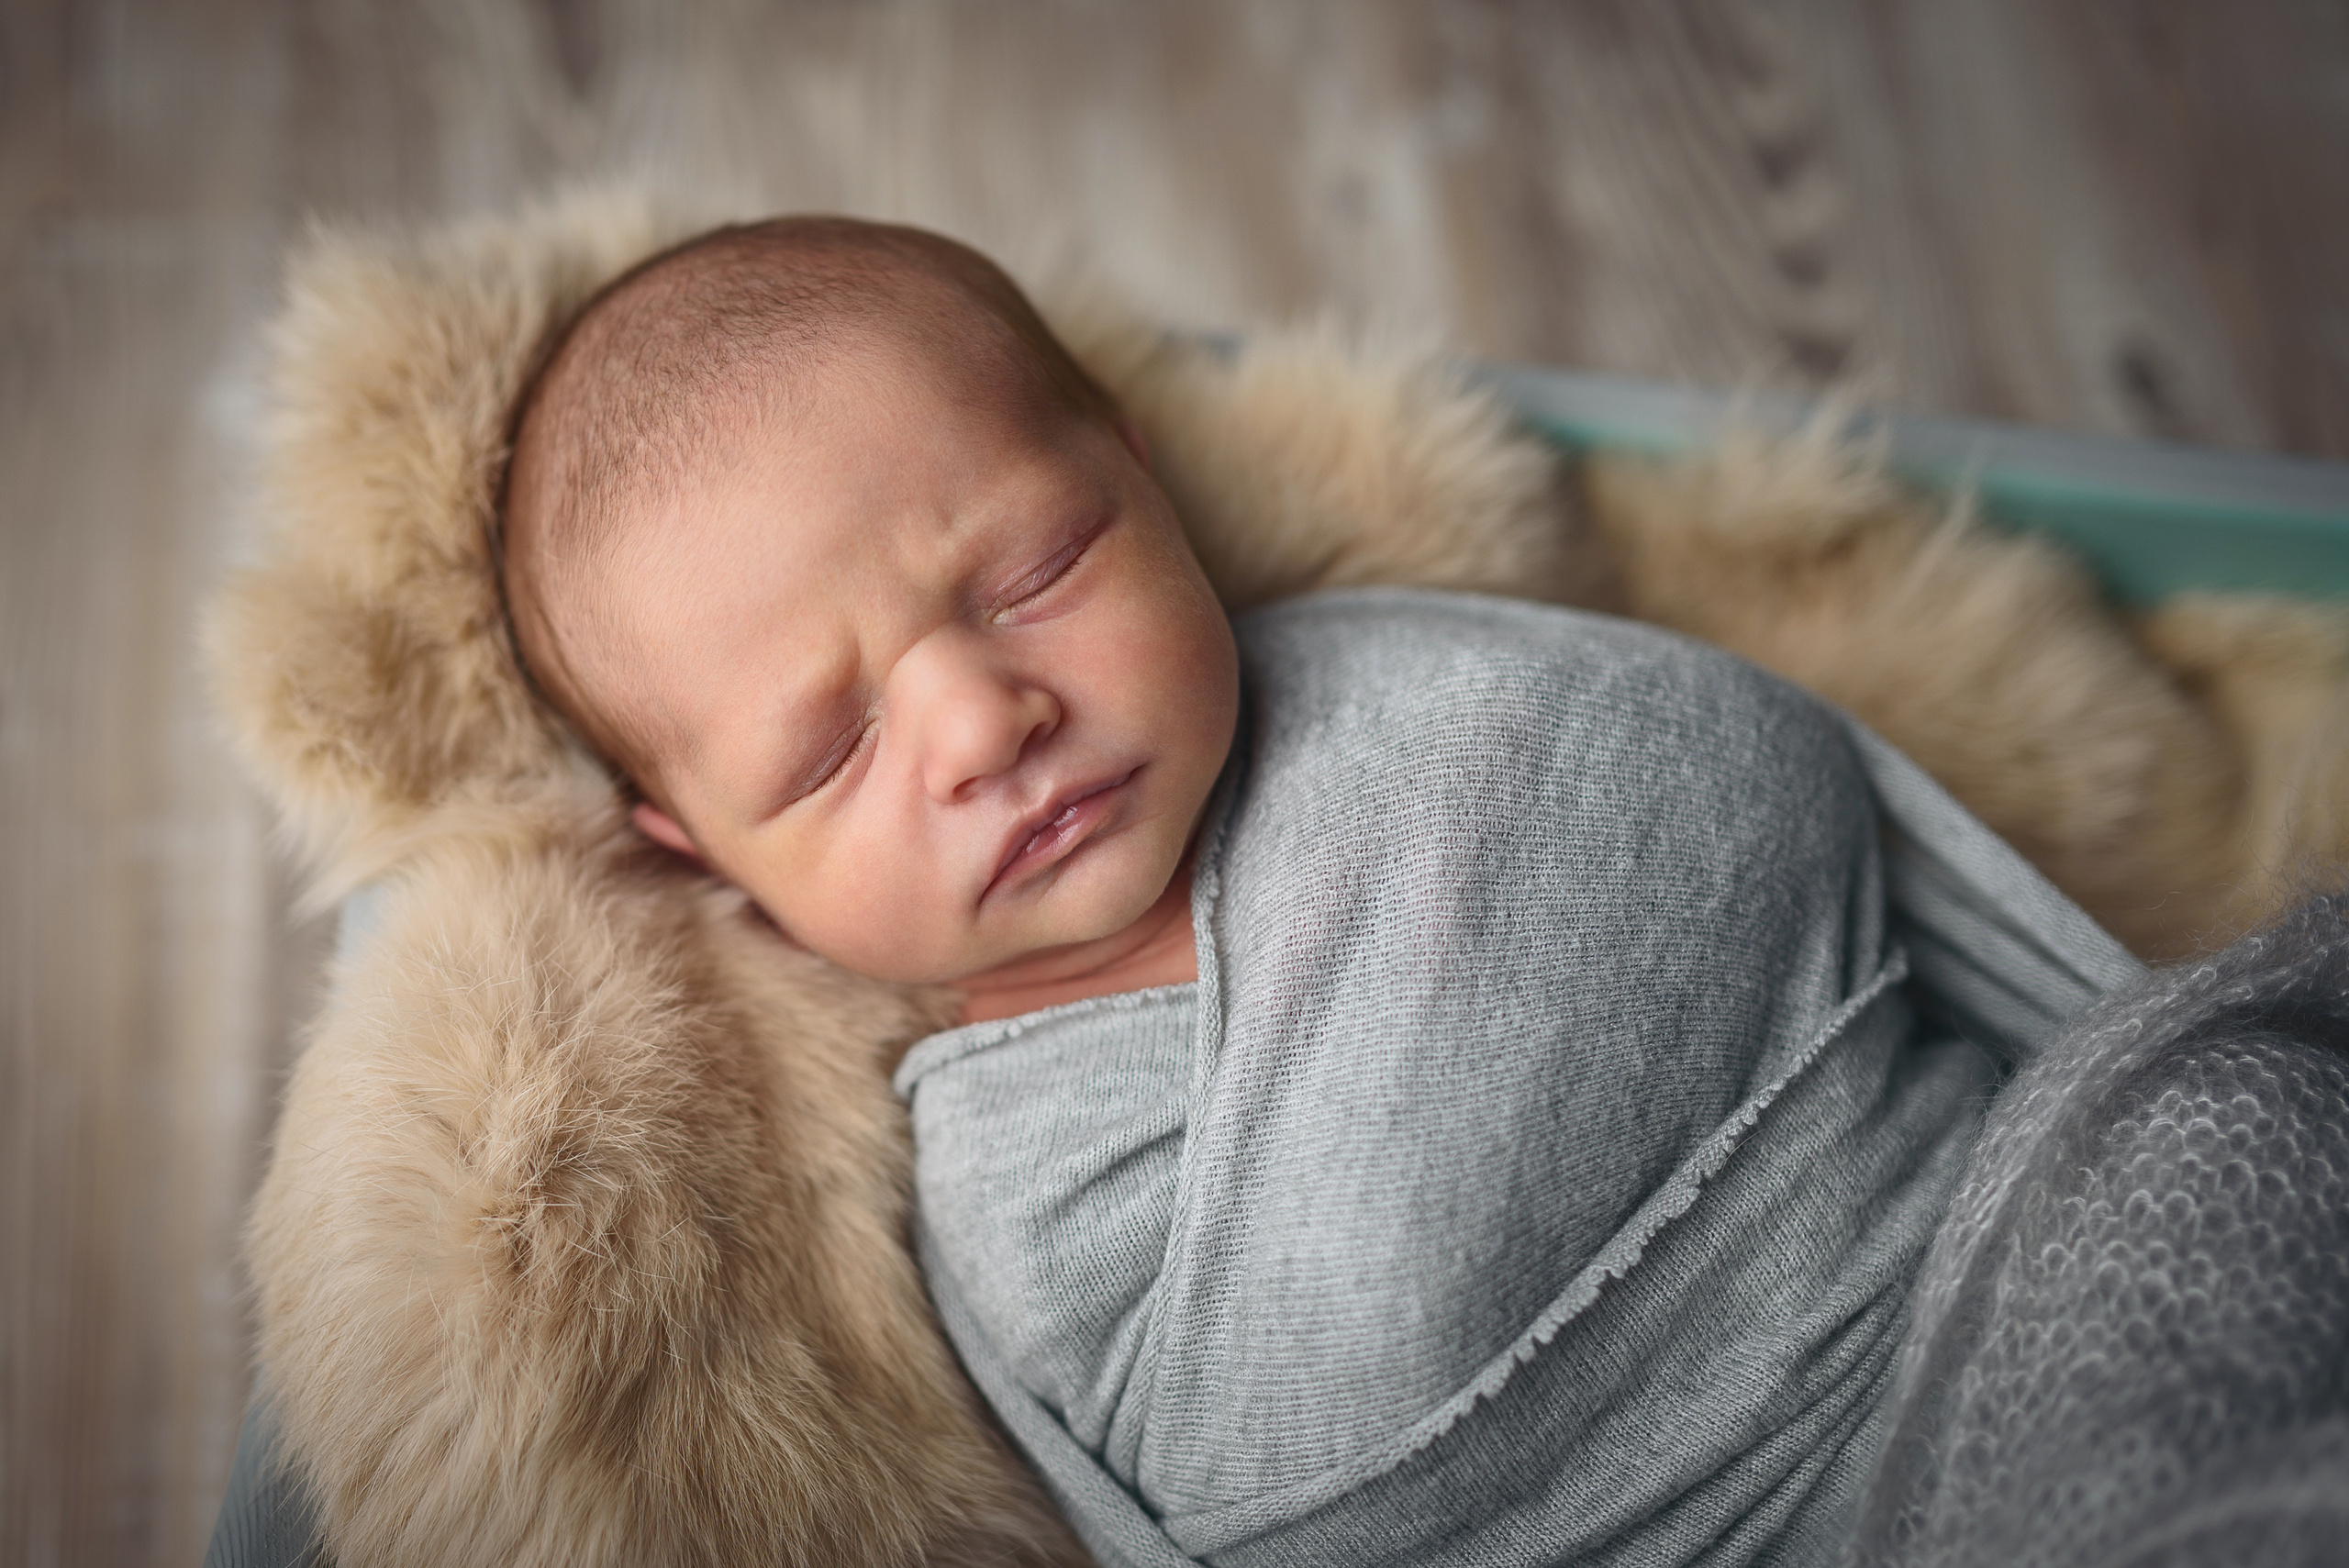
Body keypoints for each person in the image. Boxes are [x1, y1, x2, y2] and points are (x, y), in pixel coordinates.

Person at [483, 217, 2139, 1568]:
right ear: (700, 849)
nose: (982, 720)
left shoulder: (1430, 686)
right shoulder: (1022, 1186)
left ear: (1145, 486)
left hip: (2063, 1252)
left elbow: (1711, 768)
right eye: (832, 748)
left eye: (1036, 571)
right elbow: (1288, 1479)